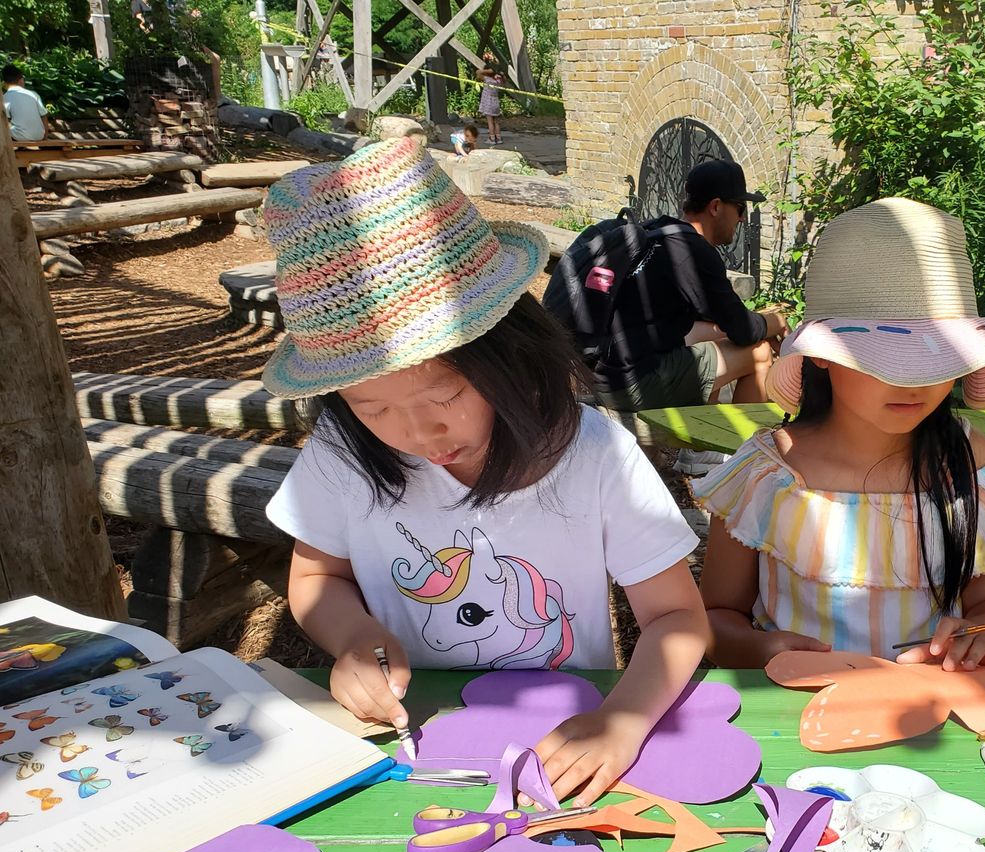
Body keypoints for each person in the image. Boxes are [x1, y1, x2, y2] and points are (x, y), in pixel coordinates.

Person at [262, 138, 710, 806]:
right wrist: (353, 638)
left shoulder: (594, 454)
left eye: (443, 398)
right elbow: (315, 575)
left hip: (569, 744)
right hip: (414, 746)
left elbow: (678, 616)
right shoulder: (343, 450)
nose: (416, 434)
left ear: (511, 351)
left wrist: (625, 717)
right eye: (372, 405)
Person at [695, 197, 985, 667]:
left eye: (937, 361)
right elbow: (716, 616)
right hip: (798, 709)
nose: (914, 382)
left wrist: (980, 635)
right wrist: (760, 648)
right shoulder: (769, 474)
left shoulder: (972, 468)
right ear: (822, 353)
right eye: (886, 361)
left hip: (937, 712)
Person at [545, 159, 789, 416]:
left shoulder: (658, 231)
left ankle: (700, 450)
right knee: (758, 353)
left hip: (601, 369)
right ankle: (739, 452)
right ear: (716, 206)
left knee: (714, 335)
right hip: (630, 384)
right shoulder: (695, 253)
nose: (741, 219)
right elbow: (744, 330)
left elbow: (719, 321)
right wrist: (778, 321)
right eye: (740, 209)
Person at [2, 65, 48, 142]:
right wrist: (45, 136)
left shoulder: (5, 97)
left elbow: (5, 120)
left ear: (4, 82)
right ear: (20, 80)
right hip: (39, 136)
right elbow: (44, 116)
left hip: (18, 137)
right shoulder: (33, 94)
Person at [477, 53, 505, 145]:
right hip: (495, 101)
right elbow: (504, 79)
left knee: (490, 121)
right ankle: (498, 137)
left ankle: (492, 138)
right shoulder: (499, 79)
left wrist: (490, 70)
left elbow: (478, 72)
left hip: (488, 102)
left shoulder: (487, 79)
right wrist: (496, 71)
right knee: (496, 121)